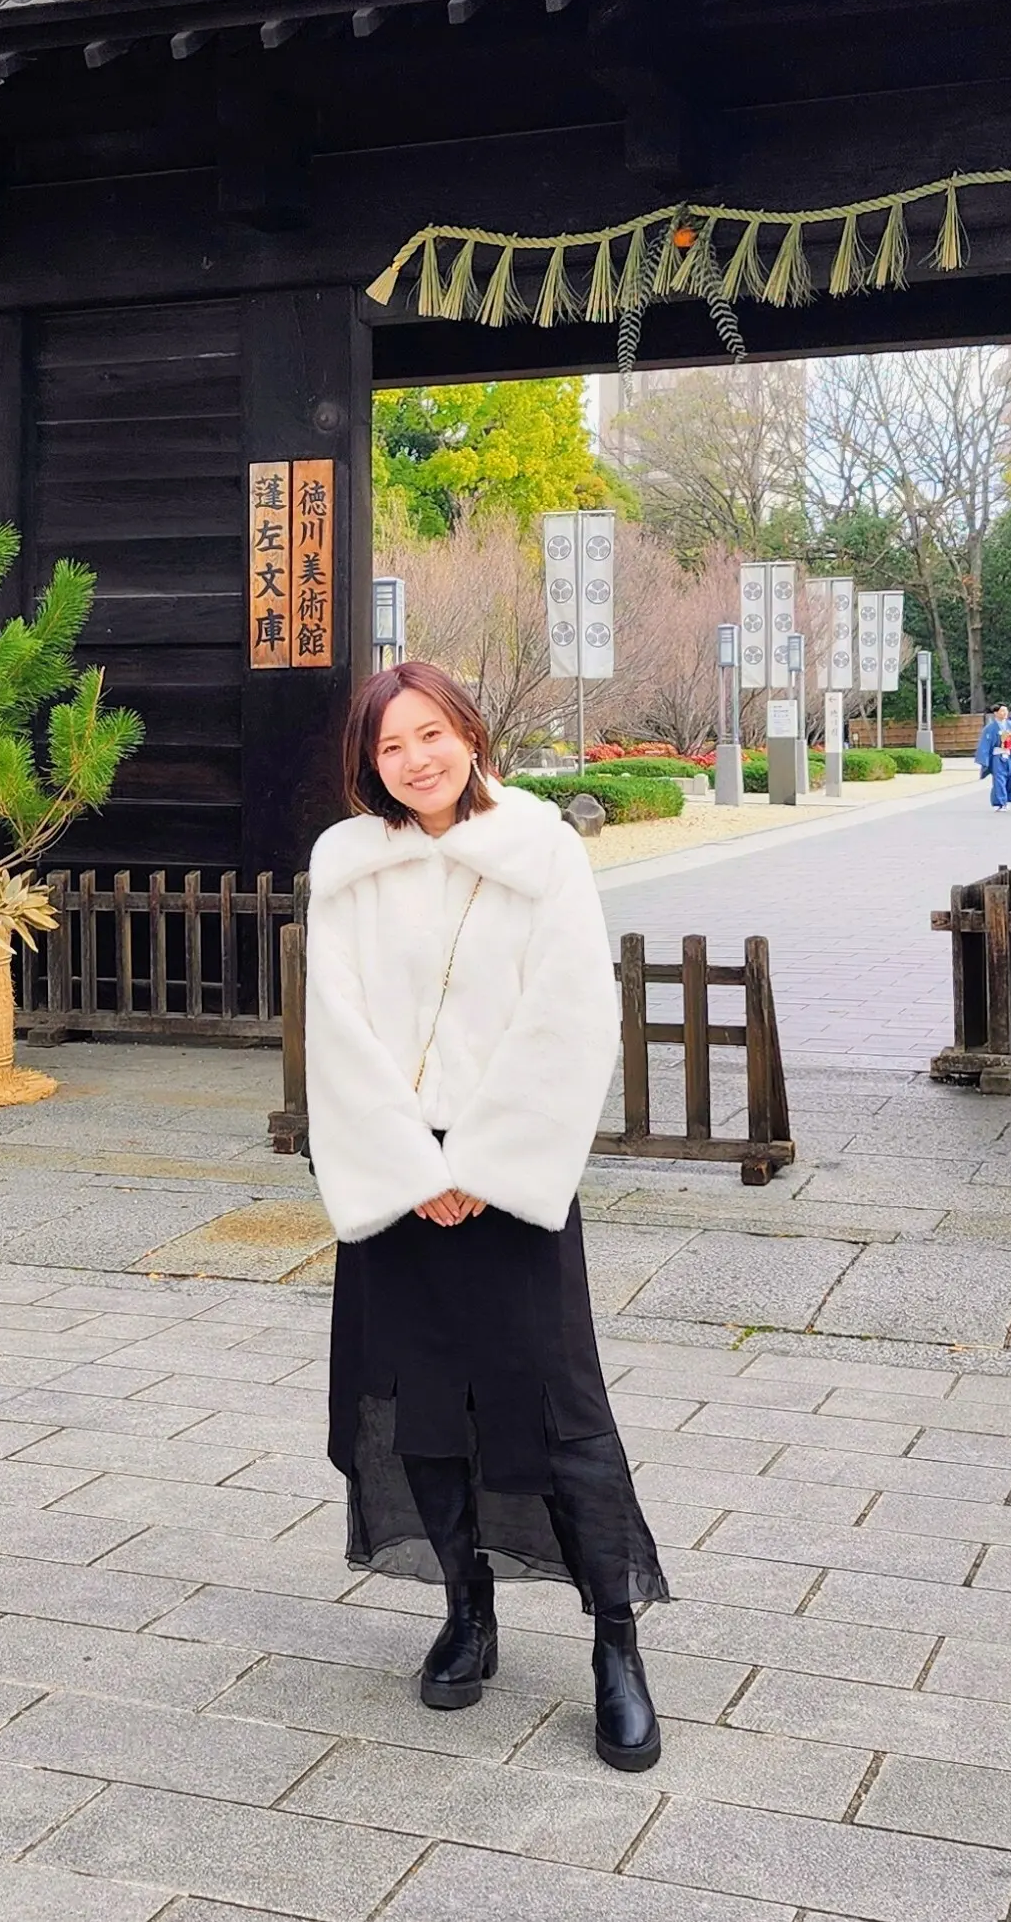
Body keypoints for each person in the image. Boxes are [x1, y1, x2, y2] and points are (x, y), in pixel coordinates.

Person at [305, 659, 667, 1771]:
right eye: (388, 747)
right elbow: (337, 1025)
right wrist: (416, 1167)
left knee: (559, 1411)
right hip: (398, 1184)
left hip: (512, 1184)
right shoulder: (347, 866)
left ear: (468, 730)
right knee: (419, 1402)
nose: (414, 760)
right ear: (367, 765)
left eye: (429, 734)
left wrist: (486, 1160)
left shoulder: (540, 849)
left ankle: (615, 1639)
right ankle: (466, 1609)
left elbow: (569, 1016)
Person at [976, 703, 1011, 809]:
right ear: (996, 713)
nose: (1005, 713)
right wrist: (985, 759)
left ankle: (1008, 798)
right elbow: (985, 744)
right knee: (999, 779)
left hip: (1010, 755)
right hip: (998, 756)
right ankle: (1000, 802)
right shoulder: (990, 728)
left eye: (1006, 711)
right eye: (1002, 711)